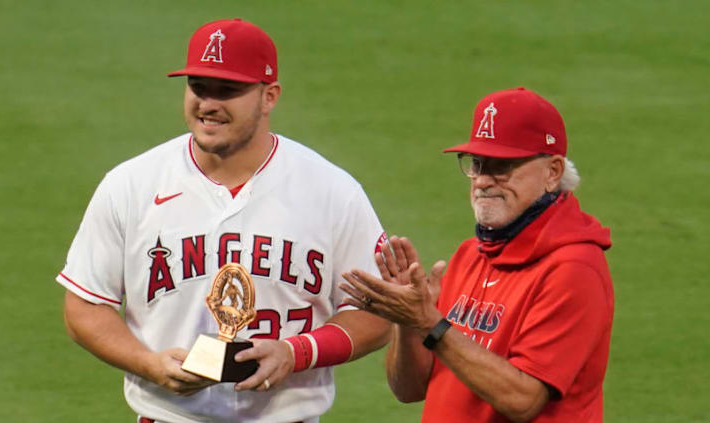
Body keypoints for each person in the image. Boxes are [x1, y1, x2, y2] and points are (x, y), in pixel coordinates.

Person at [57, 18, 390, 423]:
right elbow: (85, 306)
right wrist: (148, 364)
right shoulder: (131, 185)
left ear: (269, 97)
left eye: (228, 90)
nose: (208, 104)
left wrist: (296, 352)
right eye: (199, 87)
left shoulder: (332, 192)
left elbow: (376, 314)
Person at [341, 87, 614, 422]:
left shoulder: (573, 268)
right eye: (478, 164)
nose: (483, 180)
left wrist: (430, 323)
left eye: (503, 166)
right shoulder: (471, 254)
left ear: (553, 172)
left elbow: (522, 399)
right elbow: (408, 389)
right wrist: (409, 322)